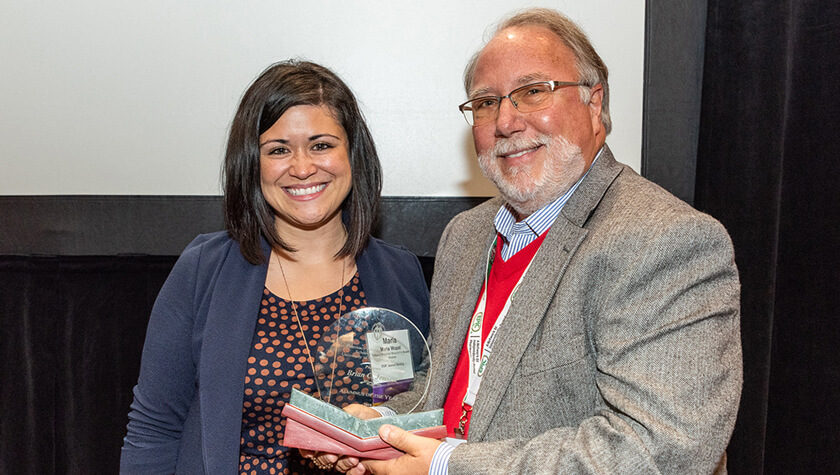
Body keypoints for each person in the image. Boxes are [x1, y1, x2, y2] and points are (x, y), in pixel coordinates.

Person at [323, 8, 742, 475]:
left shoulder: (665, 241)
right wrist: (380, 426)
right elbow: (451, 383)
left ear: (594, 101)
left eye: (532, 91)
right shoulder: (466, 236)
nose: (506, 121)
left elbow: (660, 448)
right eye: (485, 102)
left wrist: (447, 466)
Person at [119, 60, 430, 474]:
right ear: (253, 164)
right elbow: (154, 428)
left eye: (321, 145)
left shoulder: (401, 274)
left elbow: (423, 412)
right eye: (279, 150)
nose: (302, 168)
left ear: (352, 154)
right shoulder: (204, 270)